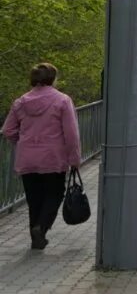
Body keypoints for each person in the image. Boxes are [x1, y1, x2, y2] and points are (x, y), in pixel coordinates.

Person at [2, 63, 82, 250]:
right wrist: (74, 159)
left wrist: (21, 143)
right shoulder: (62, 101)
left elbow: (8, 130)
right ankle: (41, 228)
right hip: (53, 157)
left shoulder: (20, 102)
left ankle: (35, 237)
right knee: (54, 194)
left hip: (27, 157)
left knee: (34, 198)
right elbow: (71, 134)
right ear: (52, 78)